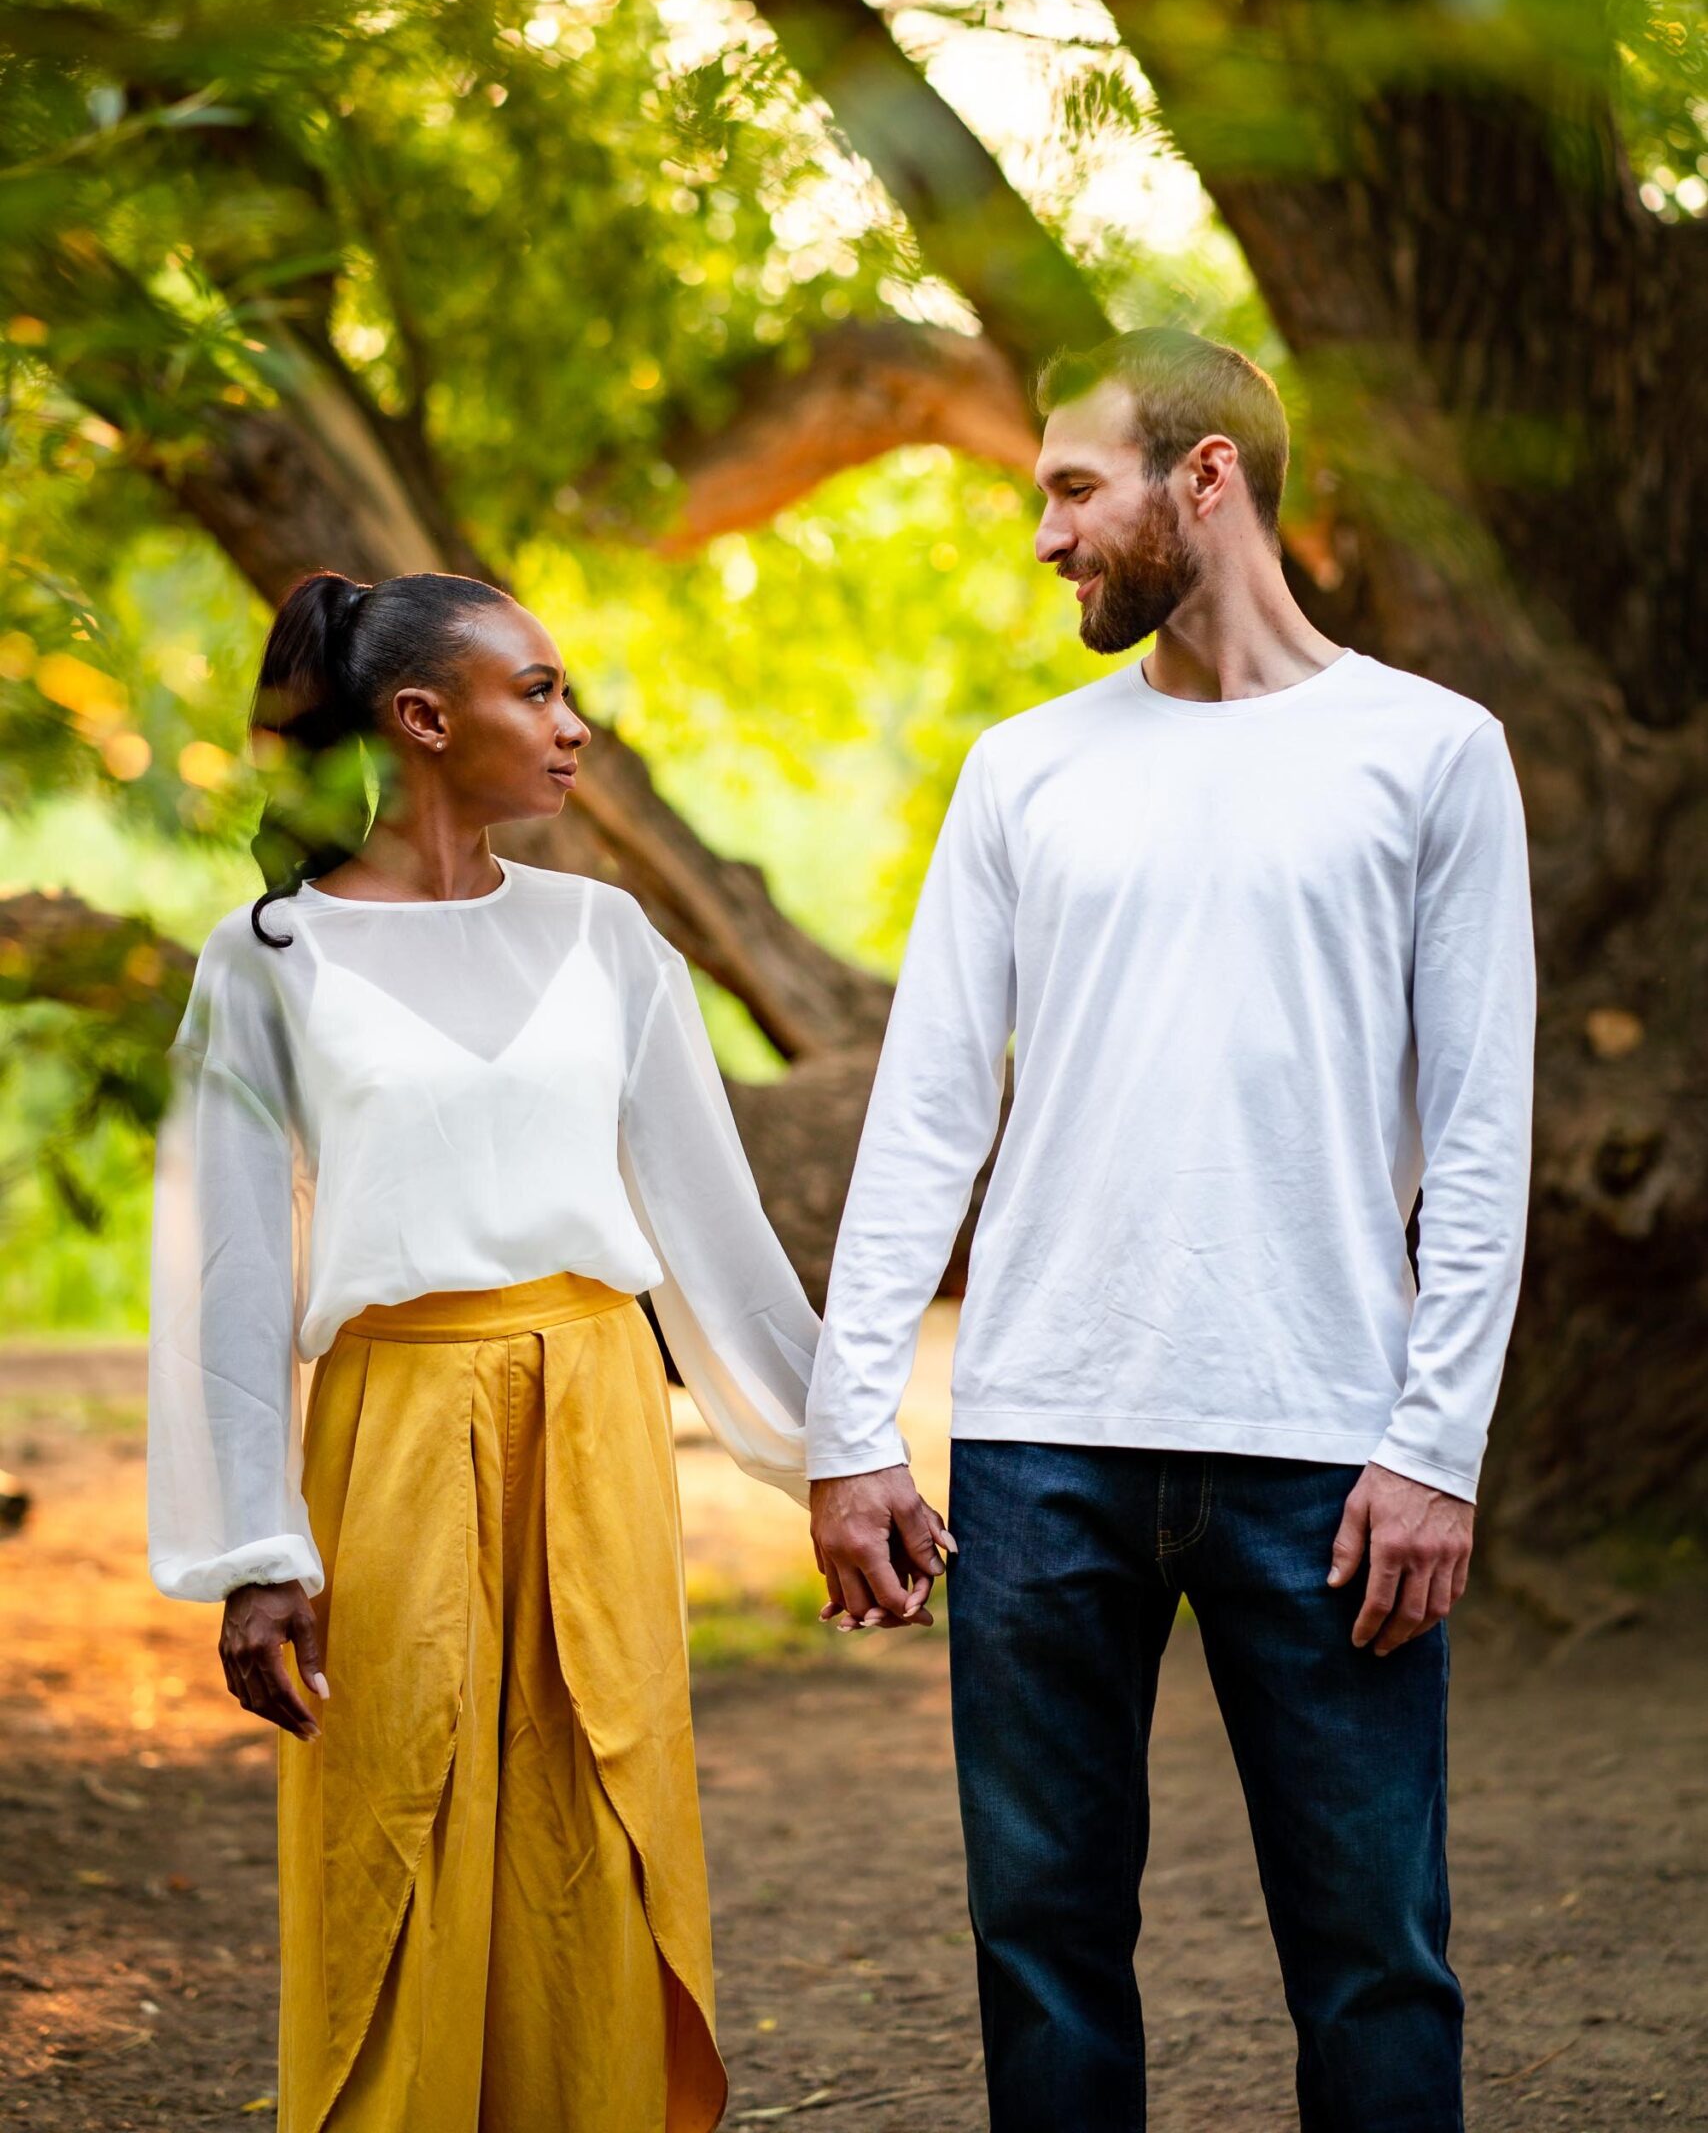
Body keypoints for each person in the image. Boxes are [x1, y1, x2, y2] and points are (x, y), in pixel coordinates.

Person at [807, 329, 1537, 2133]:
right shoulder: (1024, 770)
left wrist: (1435, 1451)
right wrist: (849, 1430)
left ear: (1203, 478)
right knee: (1040, 1944)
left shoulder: (1434, 754)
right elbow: (923, 1116)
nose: (1044, 536)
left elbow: (1483, 1133)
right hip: (1043, 1442)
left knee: (1374, 1954)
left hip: (1328, 1455)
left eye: (1072, 487)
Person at [146, 567, 820, 2133]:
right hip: (391, 1432)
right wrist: (255, 1545)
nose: (576, 727)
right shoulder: (267, 962)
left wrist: (835, 1451)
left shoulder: (608, 937)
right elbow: (226, 1278)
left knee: (601, 1806)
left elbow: (717, 1234)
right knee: (397, 1819)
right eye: (542, 692)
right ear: (425, 719)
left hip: (595, 1419)